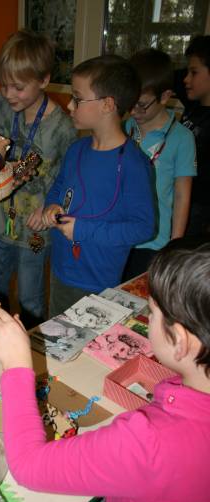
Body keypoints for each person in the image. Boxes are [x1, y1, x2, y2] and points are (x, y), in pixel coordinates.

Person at [0, 241, 210, 502]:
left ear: (180, 341)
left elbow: (27, 466)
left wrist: (17, 365)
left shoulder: (151, 443)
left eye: (151, 313)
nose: (148, 320)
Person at [0, 29, 77, 327]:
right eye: (3, 85)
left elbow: (71, 180)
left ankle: (27, 349)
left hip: (36, 233)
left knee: (30, 299)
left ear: (43, 80)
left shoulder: (63, 128)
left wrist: (51, 207)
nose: (8, 94)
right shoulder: (2, 104)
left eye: (17, 87)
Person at [42, 55, 155, 317]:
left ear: (107, 105)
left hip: (97, 282)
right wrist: (52, 205)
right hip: (60, 269)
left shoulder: (133, 164)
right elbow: (59, 186)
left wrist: (83, 230)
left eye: (77, 98)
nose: (69, 105)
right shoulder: (76, 149)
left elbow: (142, 227)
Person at [122, 49, 196, 280]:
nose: (133, 111)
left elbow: (182, 195)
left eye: (142, 104)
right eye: (130, 102)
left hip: (155, 242)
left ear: (165, 97)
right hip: (121, 235)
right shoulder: (124, 128)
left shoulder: (182, 138)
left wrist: (175, 245)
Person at [178, 36, 210, 235]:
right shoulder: (193, 107)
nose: (186, 79)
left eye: (194, 72)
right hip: (182, 198)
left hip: (199, 209)